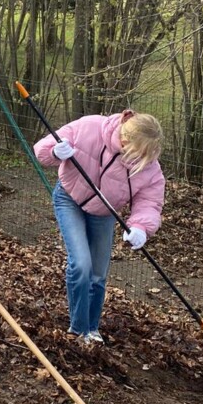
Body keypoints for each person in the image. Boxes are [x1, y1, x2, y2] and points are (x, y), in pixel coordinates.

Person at [33, 110, 165, 344]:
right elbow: (42, 150)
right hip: (69, 199)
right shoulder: (90, 127)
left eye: (147, 155)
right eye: (139, 152)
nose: (141, 159)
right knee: (81, 264)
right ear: (125, 139)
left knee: (97, 274)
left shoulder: (149, 166)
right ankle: (78, 329)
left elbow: (150, 201)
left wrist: (141, 227)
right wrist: (55, 152)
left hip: (104, 212)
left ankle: (92, 329)